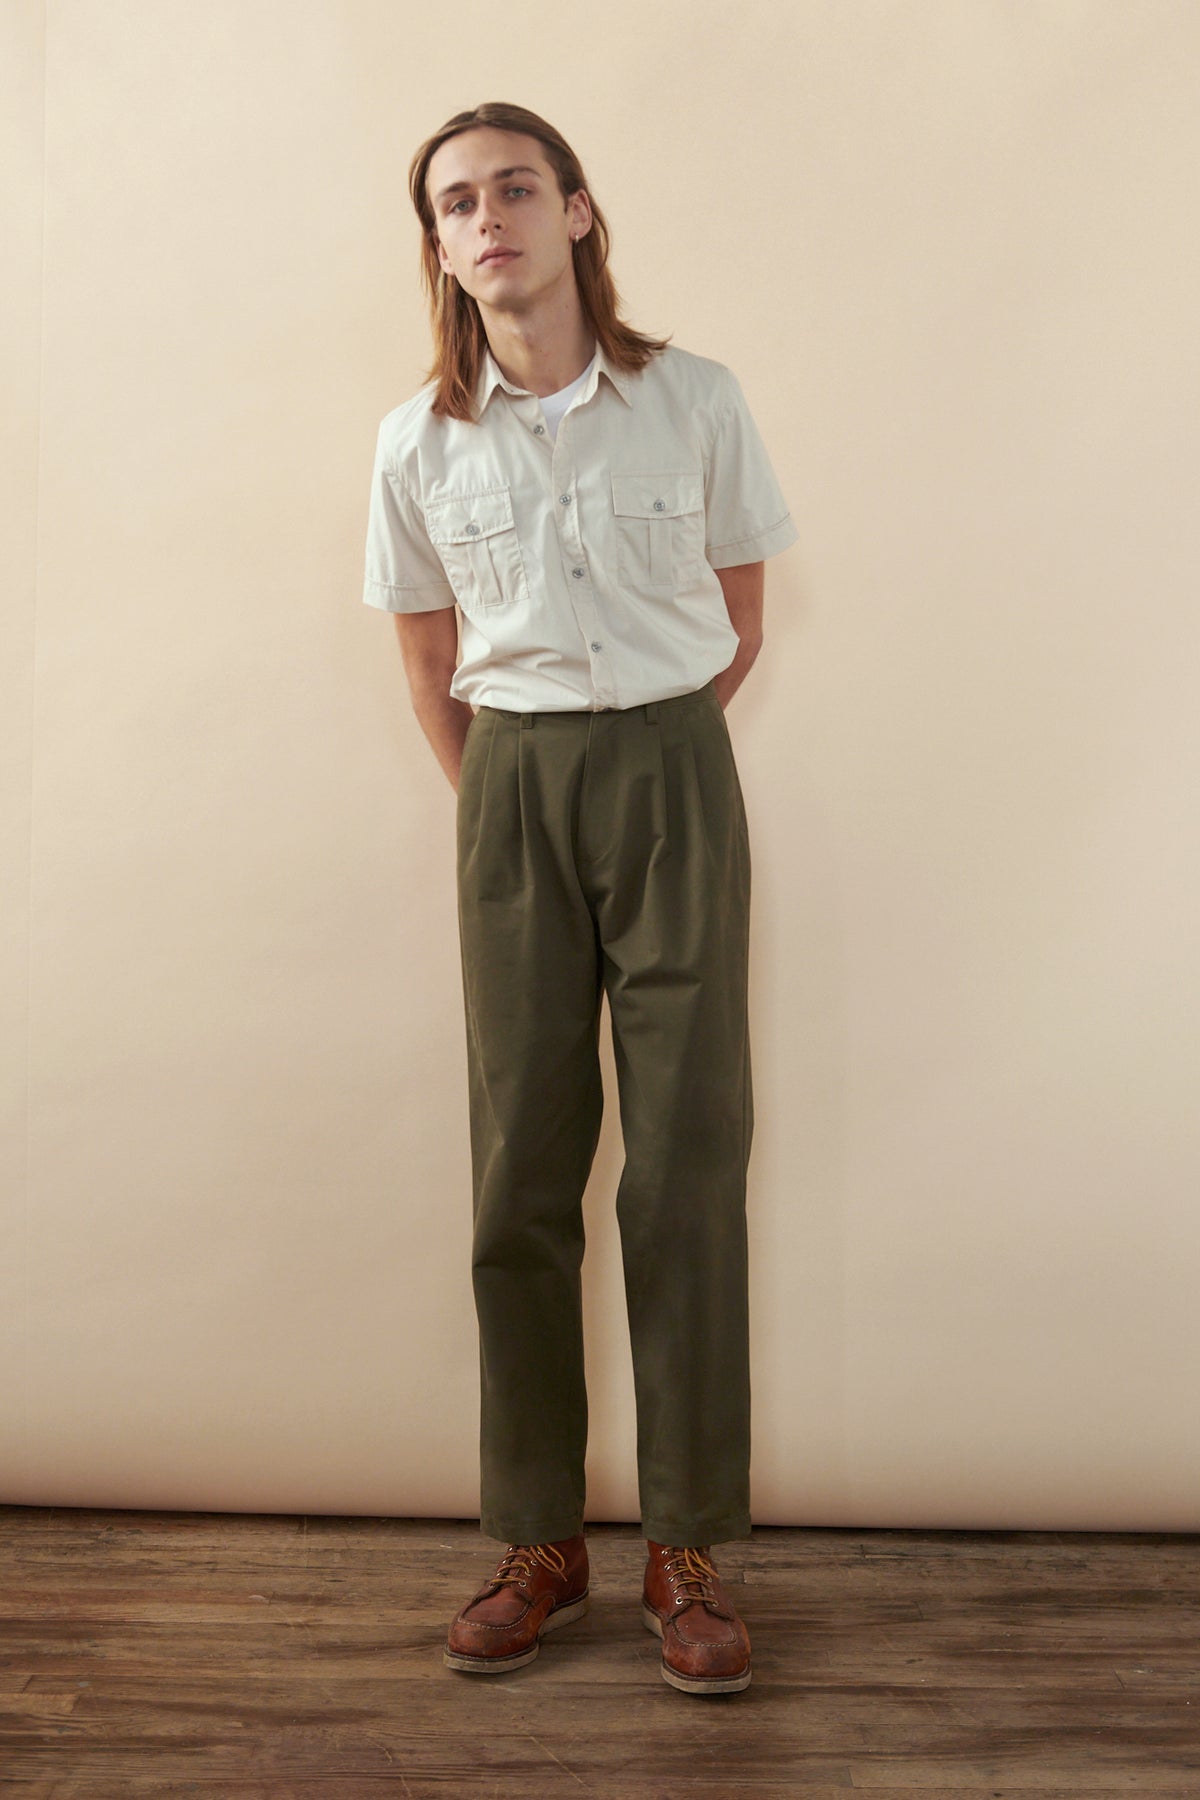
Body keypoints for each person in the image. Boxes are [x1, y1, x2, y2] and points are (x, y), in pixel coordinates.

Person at [362, 101, 798, 1696]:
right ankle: (539, 1537)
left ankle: (687, 1546)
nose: (489, 220)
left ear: (579, 212)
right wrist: (512, 799)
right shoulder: (416, 442)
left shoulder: (693, 399)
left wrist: (655, 756)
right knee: (520, 1172)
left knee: (686, 1161)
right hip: (513, 791)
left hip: (673, 771)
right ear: (441, 246)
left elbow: (737, 612)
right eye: (457, 203)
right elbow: (425, 660)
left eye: (516, 189)